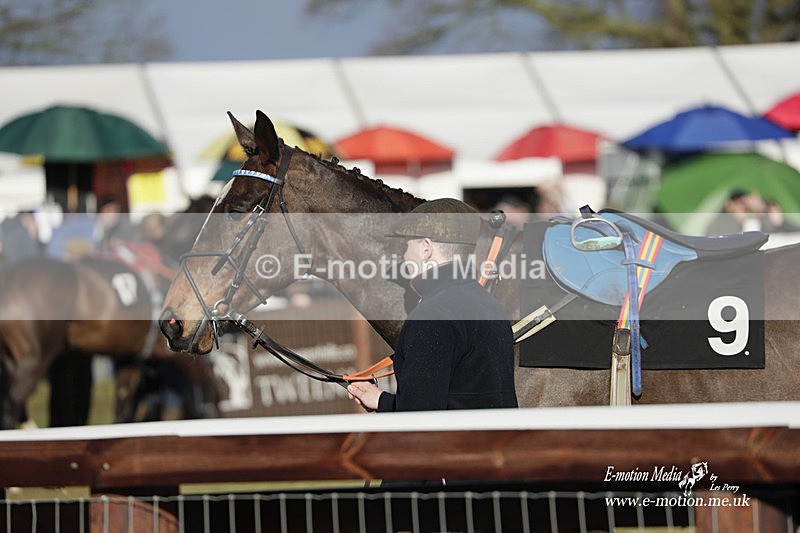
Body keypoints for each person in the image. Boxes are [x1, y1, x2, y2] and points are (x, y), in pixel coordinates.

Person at [346, 198, 518, 412]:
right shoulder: (490, 304)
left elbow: (419, 418)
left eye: (406, 246)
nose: (403, 256)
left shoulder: (430, 315)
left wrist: (381, 401)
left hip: (455, 444)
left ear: (426, 249)